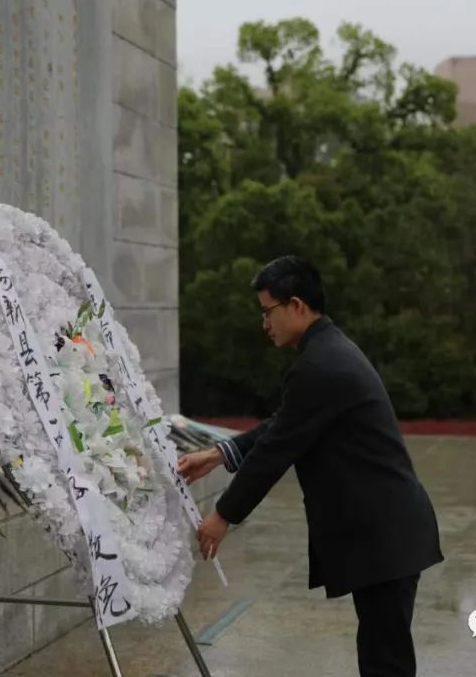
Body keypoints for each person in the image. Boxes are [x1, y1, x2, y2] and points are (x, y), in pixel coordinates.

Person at [177, 255, 443, 677]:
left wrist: (223, 515)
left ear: (297, 306)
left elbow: (276, 450)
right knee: (382, 655)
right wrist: (217, 454)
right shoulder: (326, 352)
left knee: (385, 661)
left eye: (268, 312)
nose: (265, 324)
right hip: (386, 530)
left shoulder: (320, 364)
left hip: (385, 534)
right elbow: (285, 424)